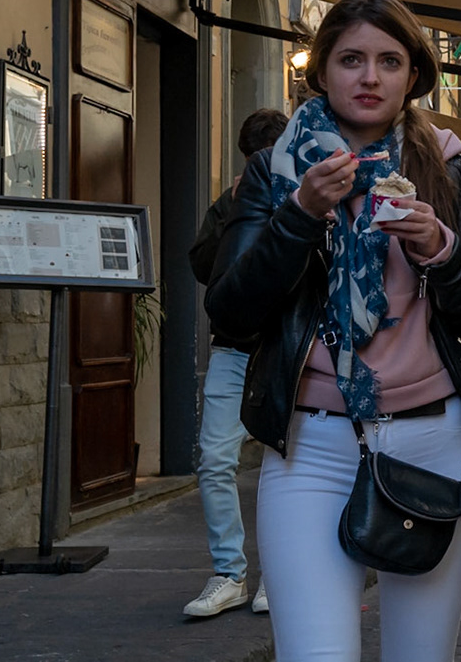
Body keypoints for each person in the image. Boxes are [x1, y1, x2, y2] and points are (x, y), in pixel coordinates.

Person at [206, 0, 461, 662]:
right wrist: (301, 214)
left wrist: (441, 250)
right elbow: (229, 309)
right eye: (351, 59)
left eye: (389, 60)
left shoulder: (447, 168)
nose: (369, 77)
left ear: (413, 76)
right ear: (321, 70)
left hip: (435, 444)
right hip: (311, 448)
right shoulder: (275, 170)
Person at [184, 105, 290, 619]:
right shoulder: (230, 201)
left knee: (284, 465)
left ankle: (278, 574)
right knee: (214, 461)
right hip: (231, 348)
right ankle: (230, 573)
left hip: (285, 350)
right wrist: (233, 203)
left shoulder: (304, 195)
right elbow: (204, 265)